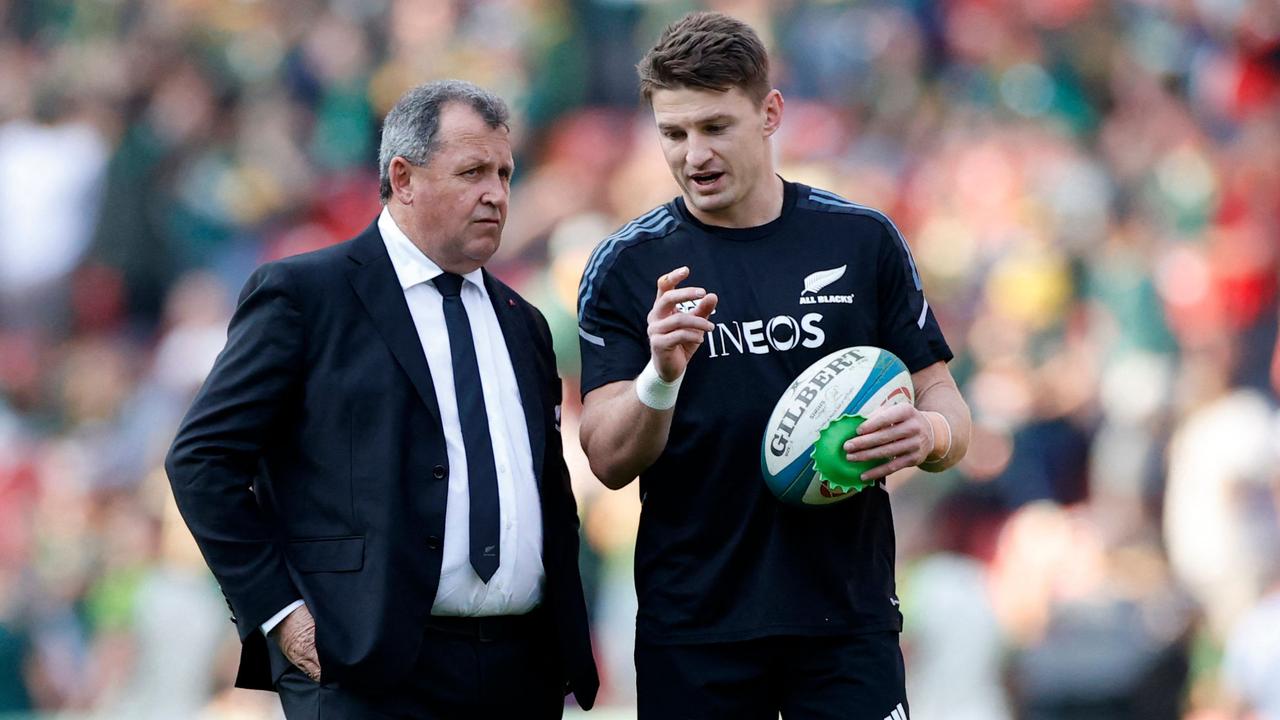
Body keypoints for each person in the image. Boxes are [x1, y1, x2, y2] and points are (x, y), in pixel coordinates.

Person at [576, 12, 970, 720]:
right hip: (696, 629)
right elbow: (606, 457)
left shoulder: (860, 239)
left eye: (715, 127)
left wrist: (931, 436)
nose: (693, 154)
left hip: (845, 624)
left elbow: (945, 398)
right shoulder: (628, 268)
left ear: (769, 113)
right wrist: (661, 373)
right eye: (674, 133)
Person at [166, 80, 598, 719]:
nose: (497, 194)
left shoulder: (523, 322)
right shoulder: (305, 296)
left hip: (519, 671)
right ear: (404, 176)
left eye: (505, 173)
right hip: (366, 672)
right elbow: (201, 460)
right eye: (473, 171)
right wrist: (280, 613)